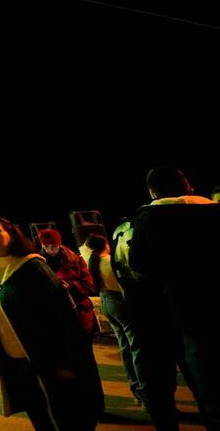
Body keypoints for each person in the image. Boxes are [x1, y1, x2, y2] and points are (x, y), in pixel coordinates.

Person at [0, 217, 97, 430]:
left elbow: (64, 315)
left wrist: (67, 362)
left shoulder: (32, 267)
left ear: (12, 235)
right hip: (18, 368)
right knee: (41, 420)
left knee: (66, 420)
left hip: (48, 362)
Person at [130, 167, 220, 429]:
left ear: (153, 192)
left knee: (209, 386)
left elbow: (140, 264)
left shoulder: (152, 217)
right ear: (189, 186)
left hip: (188, 312)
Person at [36, 228, 105, 416]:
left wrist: (70, 286)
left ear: (60, 244)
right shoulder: (37, 263)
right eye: (47, 247)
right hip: (55, 323)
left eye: (54, 246)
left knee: (87, 364)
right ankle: (76, 404)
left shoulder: (74, 259)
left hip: (79, 319)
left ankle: (96, 405)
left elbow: (90, 285)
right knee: (65, 366)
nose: (51, 249)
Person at [84, 233, 144, 407]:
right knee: (136, 347)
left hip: (105, 302)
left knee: (124, 347)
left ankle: (135, 389)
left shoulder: (92, 262)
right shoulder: (109, 261)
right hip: (119, 303)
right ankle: (142, 391)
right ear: (106, 245)